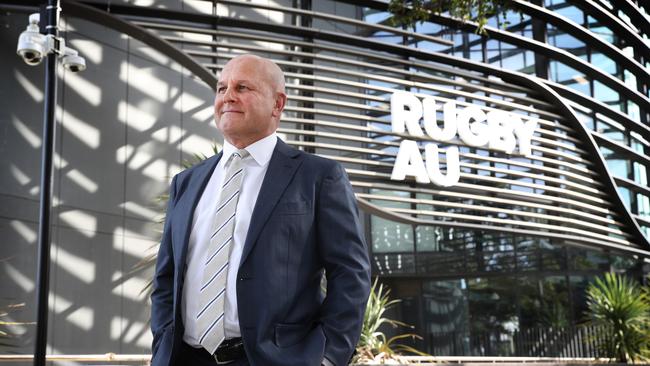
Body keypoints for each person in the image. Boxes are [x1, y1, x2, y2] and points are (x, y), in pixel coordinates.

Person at [150, 54, 371, 366]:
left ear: (277, 104)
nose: (227, 96)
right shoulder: (185, 183)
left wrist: (328, 357)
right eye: (221, 88)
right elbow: (166, 278)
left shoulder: (319, 177)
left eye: (242, 87)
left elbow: (351, 274)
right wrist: (161, 345)